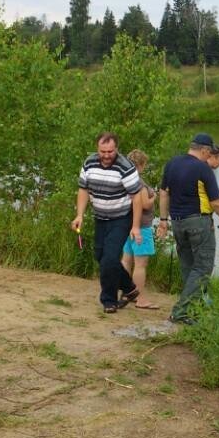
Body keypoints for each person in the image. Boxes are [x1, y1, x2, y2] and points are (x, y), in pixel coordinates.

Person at [157, 132, 219, 324]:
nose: (210, 156)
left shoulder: (172, 163)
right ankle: (180, 312)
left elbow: (164, 194)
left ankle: (194, 309)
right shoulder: (202, 168)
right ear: (205, 150)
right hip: (199, 222)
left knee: (189, 267)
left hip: (177, 222)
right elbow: (216, 203)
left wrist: (164, 220)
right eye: (210, 152)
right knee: (203, 267)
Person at [72, 132, 143, 314]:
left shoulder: (125, 167)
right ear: (98, 149)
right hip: (100, 217)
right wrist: (80, 214)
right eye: (103, 151)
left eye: (110, 151)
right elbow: (83, 190)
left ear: (116, 149)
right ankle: (129, 287)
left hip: (121, 218)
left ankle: (109, 300)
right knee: (100, 257)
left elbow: (137, 198)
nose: (106, 155)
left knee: (110, 259)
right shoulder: (89, 163)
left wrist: (135, 227)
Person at [121, 149, 158, 310]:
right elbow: (144, 205)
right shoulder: (140, 184)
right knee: (140, 264)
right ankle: (140, 299)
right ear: (141, 165)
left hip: (126, 227)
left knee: (126, 260)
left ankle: (124, 293)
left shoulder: (124, 180)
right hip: (141, 228)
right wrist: (154, 197)